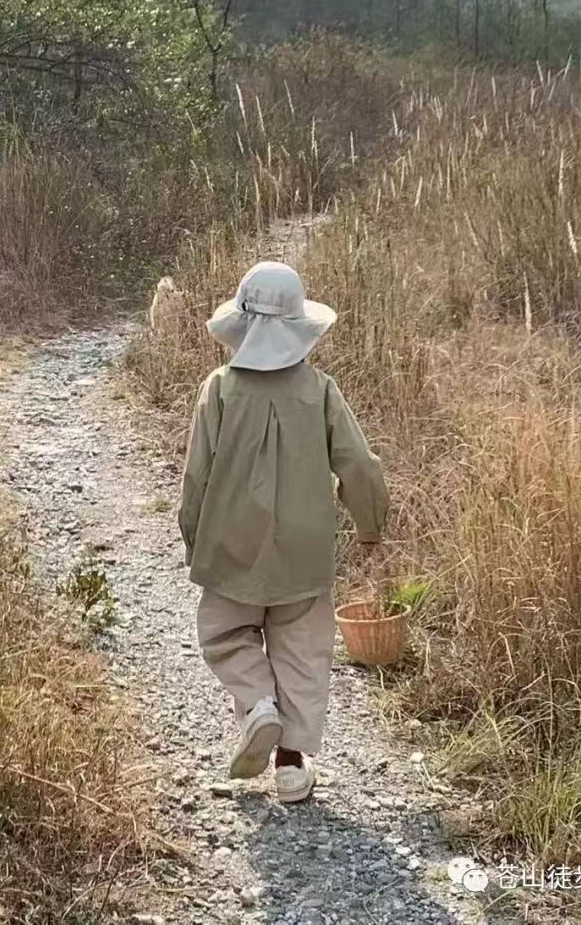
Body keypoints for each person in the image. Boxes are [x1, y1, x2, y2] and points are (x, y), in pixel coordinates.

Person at [179, 260, 388, 804]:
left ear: (242, 326)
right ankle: (292, 768)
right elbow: (360, 466)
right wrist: (369, 527)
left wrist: (193, 539)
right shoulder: (320, 390)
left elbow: (196, 476)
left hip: (230, 545)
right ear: (298, 327)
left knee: (226, 635)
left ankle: (257, 704)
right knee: (301, 652)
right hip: (306, 549)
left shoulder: (219, 389)